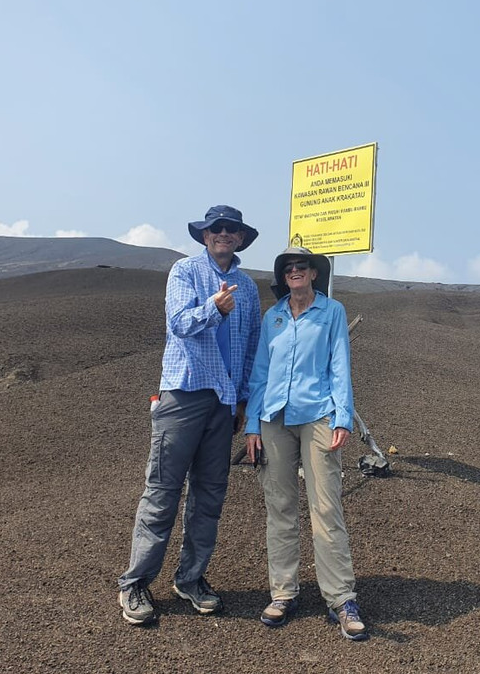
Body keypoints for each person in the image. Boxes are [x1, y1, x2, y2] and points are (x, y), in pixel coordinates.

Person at [117, 205, 261, 625]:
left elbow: (250, 346)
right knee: (162, 491)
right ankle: (136, 583)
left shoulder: (248, 287)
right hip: (182, 394)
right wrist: (214, 309)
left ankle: (191, 578)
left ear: (239, 238)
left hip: (222, 401)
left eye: (231, 230)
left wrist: (243, 400)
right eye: (216, 228)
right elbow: (178, 323)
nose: (223, 234)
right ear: (204, 236)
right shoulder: (184, 272)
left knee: (209, 494)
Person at [245, 246, 369, 641]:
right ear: (283, 277)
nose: (295, 272)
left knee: (326, 506)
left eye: (302, 267)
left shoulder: (331, 312)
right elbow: (261, 371)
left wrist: (343, 417)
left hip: (317, 416)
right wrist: (251, 424)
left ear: (314, 274)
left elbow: (339, 363)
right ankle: (283, 592)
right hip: (273, 419)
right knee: (279, 506)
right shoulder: (274, 316)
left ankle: (341, 598)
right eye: (289, 268)